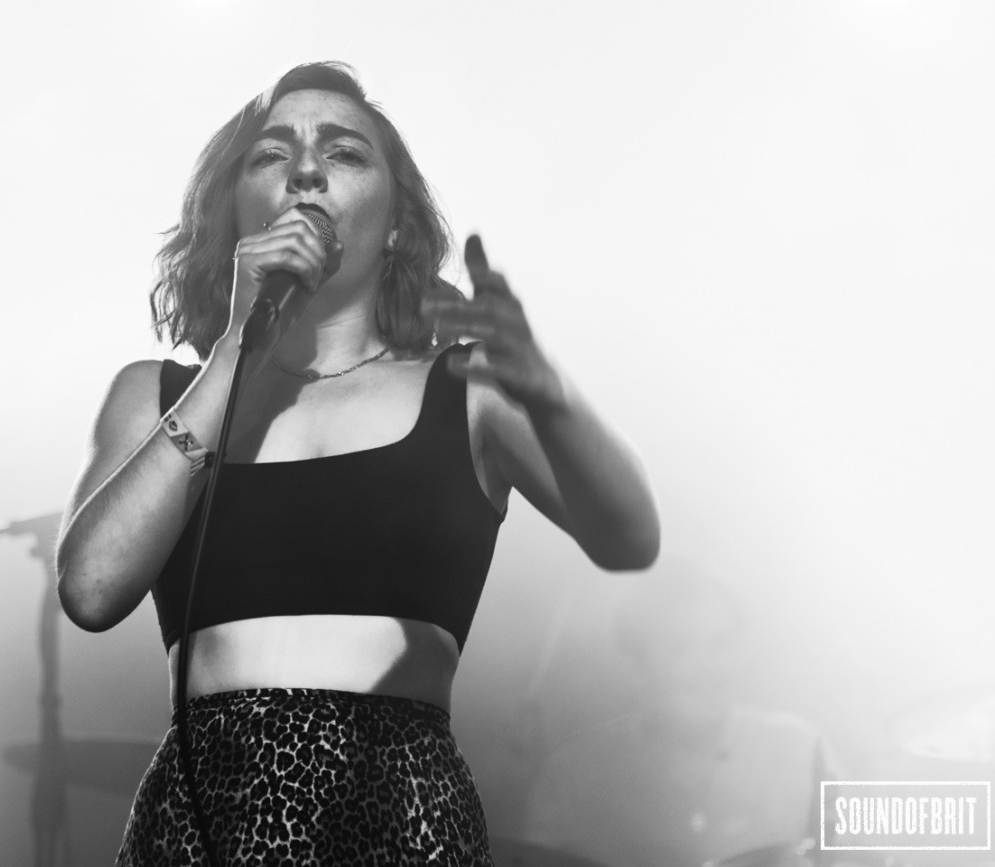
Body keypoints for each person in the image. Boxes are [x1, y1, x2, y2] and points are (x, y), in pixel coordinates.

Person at [55, 61, 660, 866]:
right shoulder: (156, 394)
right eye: (272, 154)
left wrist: (554, 399)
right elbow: (91, 588)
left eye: (343, 152)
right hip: (205, 820)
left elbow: (630, 537)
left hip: (403, 813)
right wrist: (236, 351)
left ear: (398, 223)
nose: (306, 169)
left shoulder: (469, 390)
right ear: (234, 212)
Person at [521, 568, 842, 867]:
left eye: (722, 644)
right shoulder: (574, 774)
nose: (708, 668)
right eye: (682, 648)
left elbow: (859, 853)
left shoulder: (801, 750)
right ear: (636, 665)